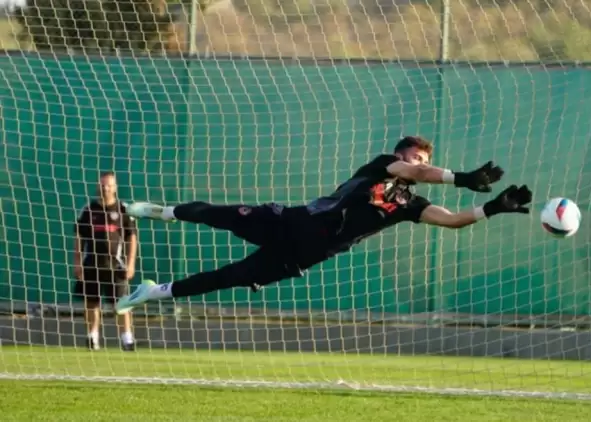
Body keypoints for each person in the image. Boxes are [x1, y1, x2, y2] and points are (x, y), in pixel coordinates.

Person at [114, 136, 531, 315]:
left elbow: (453, 220)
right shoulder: (380, 166)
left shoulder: (409, 204)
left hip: (307, 254)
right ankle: (160, 211)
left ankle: (155, 291)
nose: (418, 164)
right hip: (292, 223)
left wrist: (490, 209)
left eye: (423, 159)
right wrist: (459, 178)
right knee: (219, 215)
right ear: (400, 156)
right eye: (414, 157)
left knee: (232, 277)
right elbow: (418, 173)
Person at [73, 171, 139, 351]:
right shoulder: (88, 210)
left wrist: (131, 263)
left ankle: (127, 339)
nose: (105, 188)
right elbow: (79, 237)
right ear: (98, 186)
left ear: (115, 187)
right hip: (92, 263)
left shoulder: (124, 210)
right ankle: (92, 337)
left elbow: (132, 238)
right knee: (92, 302)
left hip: (117, 265)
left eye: (109, 185)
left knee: (122, 303)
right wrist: (77, 262)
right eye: (102, 185)